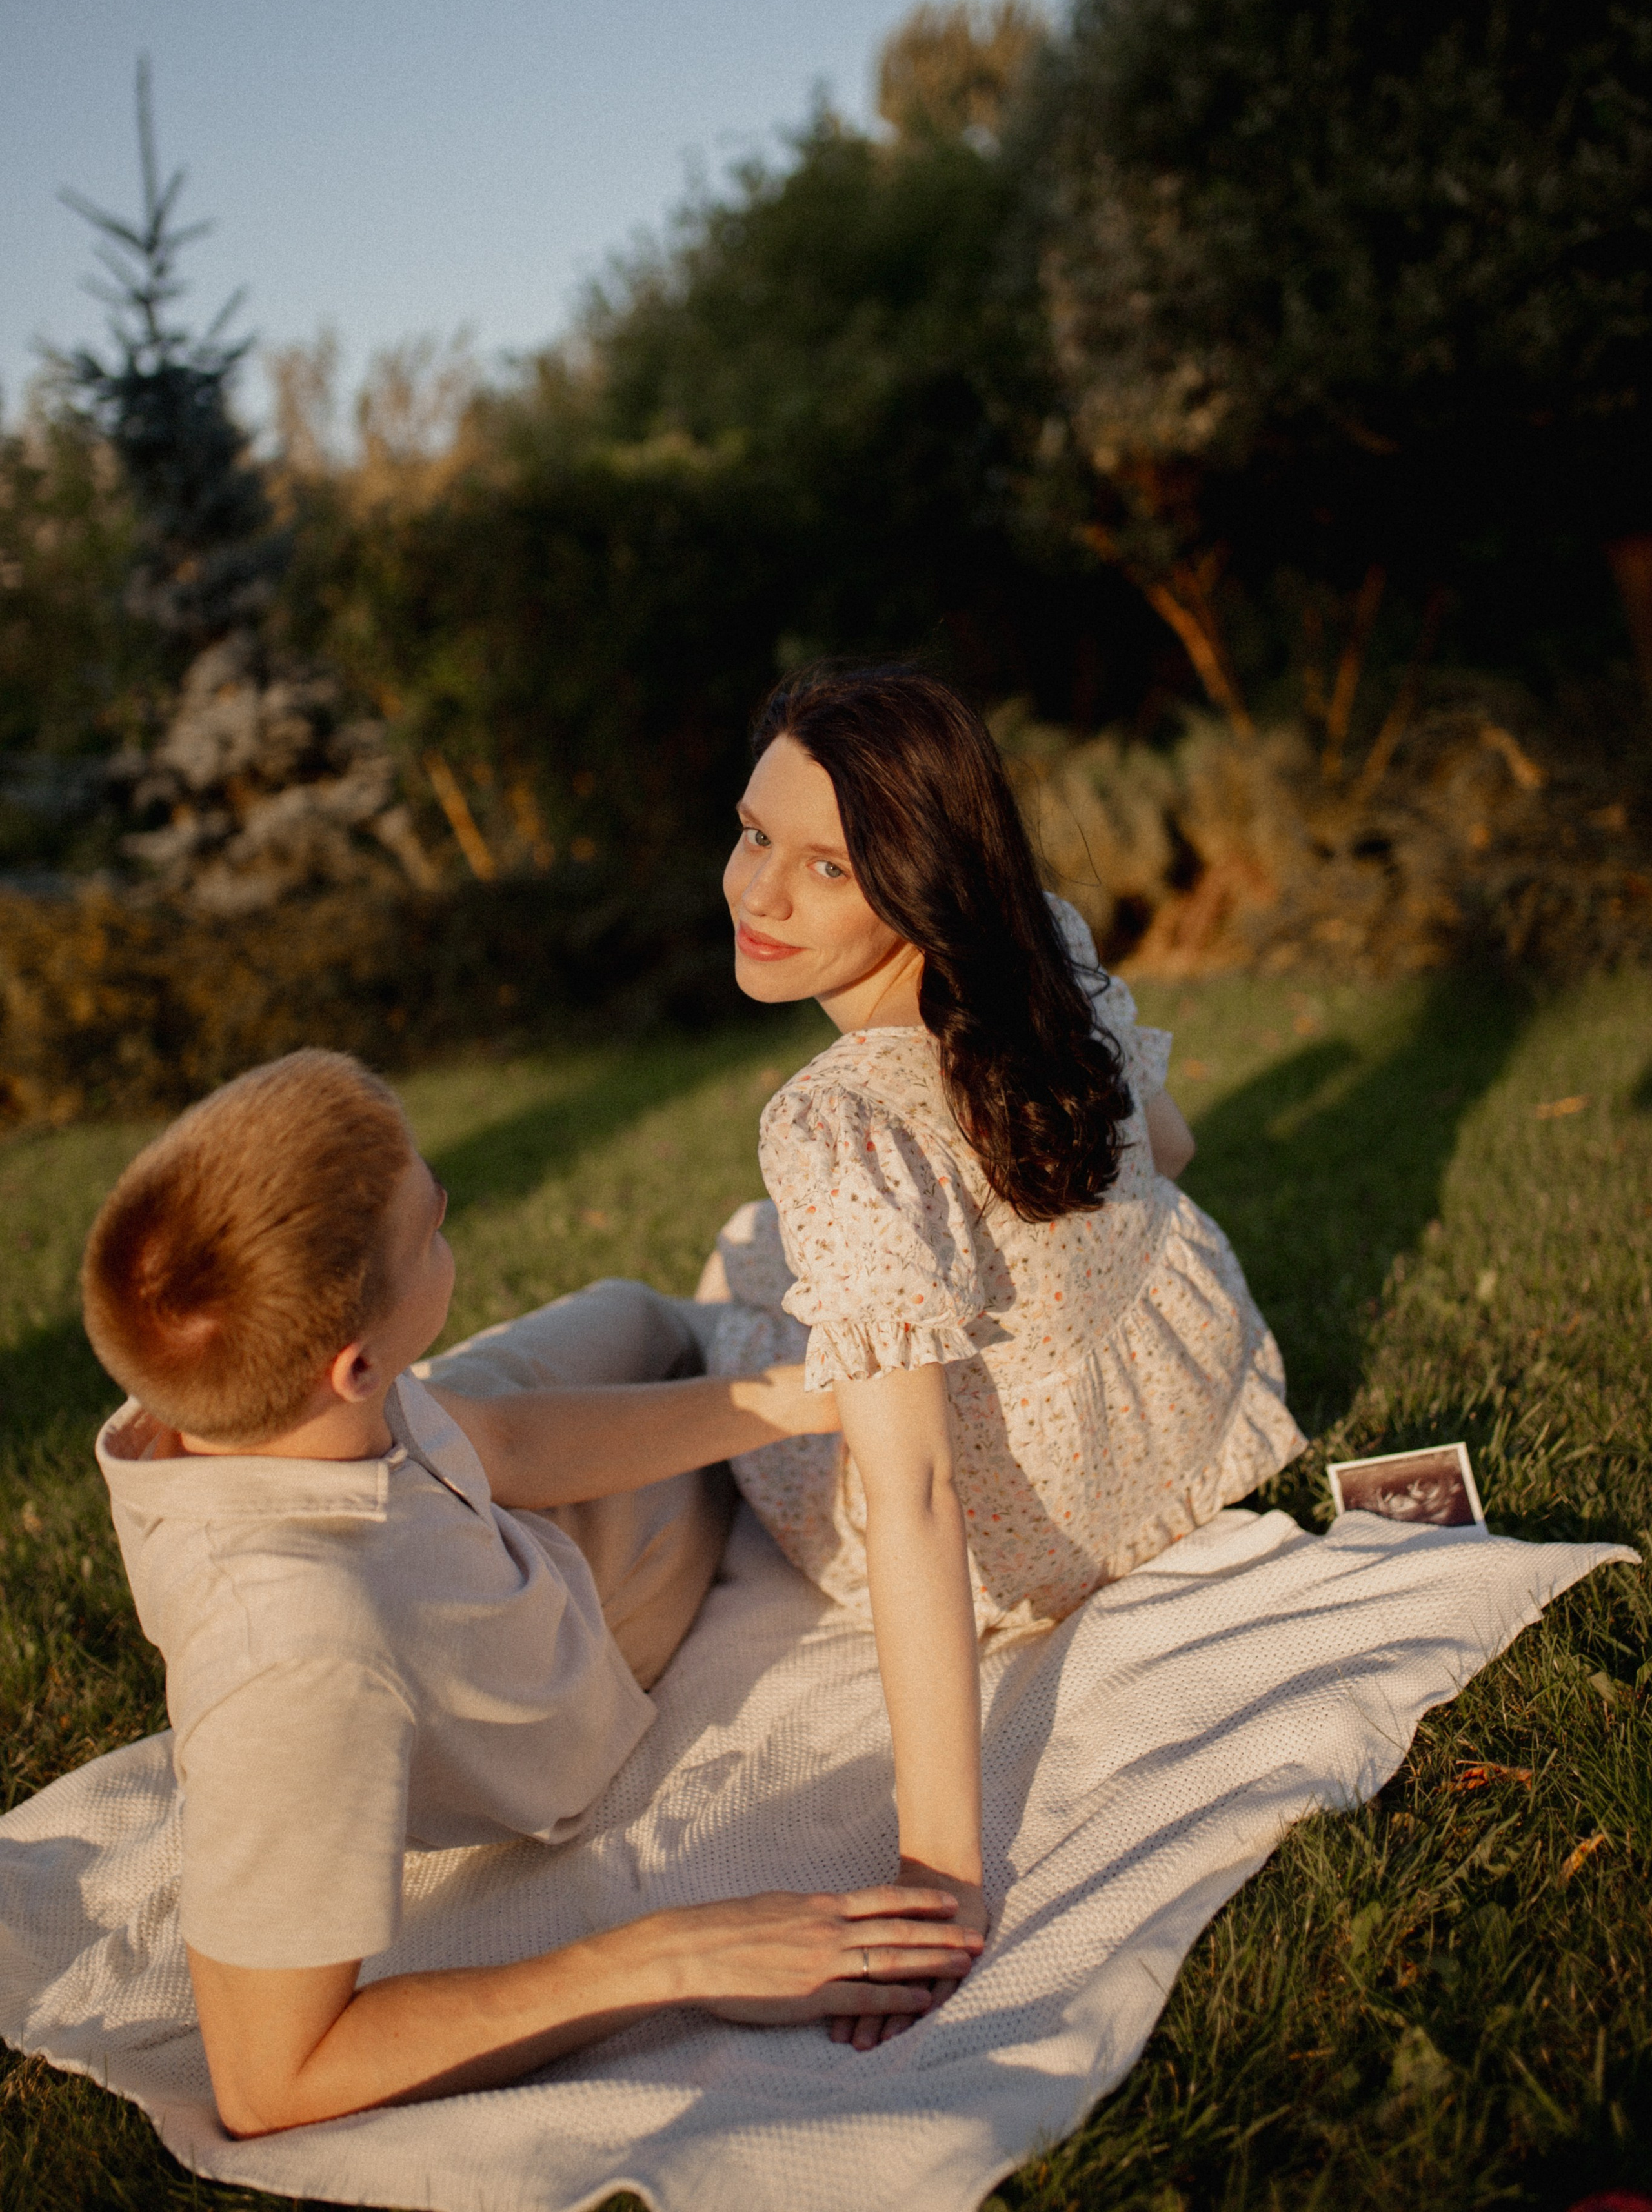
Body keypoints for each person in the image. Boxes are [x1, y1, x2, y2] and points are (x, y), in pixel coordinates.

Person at [79, 1049, 985, 2137]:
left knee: (643, 1322)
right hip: (553, 1635)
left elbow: (490, 1441)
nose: (450, 1218)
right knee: (738, 1428)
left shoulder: (265, 1395)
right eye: (437, 1226)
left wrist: (781, 1401)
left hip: (458, 1524)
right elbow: (273, 2080)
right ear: (354, 1369)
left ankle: (751, 1342)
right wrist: (671, 1954)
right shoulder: (297, 1663)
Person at [714, 663, 1307, 2049]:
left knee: (731, 1300)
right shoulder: (1039, 937)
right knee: (795, 1277)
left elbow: (913, 1498)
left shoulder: (833, 1123)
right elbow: (1167, 1152)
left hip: (1023, 1530)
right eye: (752, 834)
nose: (758, 894)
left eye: (826, 867)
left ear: (919, 881)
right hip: (1185, 1404)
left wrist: (942, 1867)